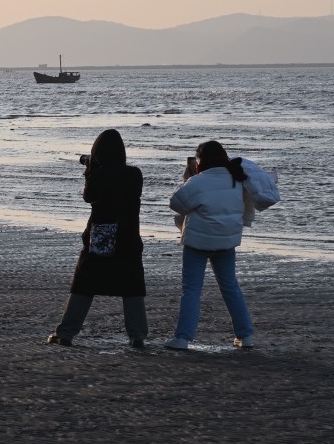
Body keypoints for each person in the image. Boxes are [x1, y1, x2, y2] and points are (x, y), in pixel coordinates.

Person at [46, 129, 148, 348]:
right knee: (132, 289)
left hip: (100, 239)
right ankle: (137, 336)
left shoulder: (98, 176)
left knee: (83, 285)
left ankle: (66, 334)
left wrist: (91, 171)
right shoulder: (135, 174)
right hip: (128, 239)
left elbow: (89, 197)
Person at [164, 140, 255, 350]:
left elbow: (176, 203)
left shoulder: (198, 181)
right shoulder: (235, 179)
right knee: (230, 287)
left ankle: (183, 337)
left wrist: (188, 179)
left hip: (198, 241)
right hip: (226, 241)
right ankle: (245, 334)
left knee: (192, 289)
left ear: (200, 160)